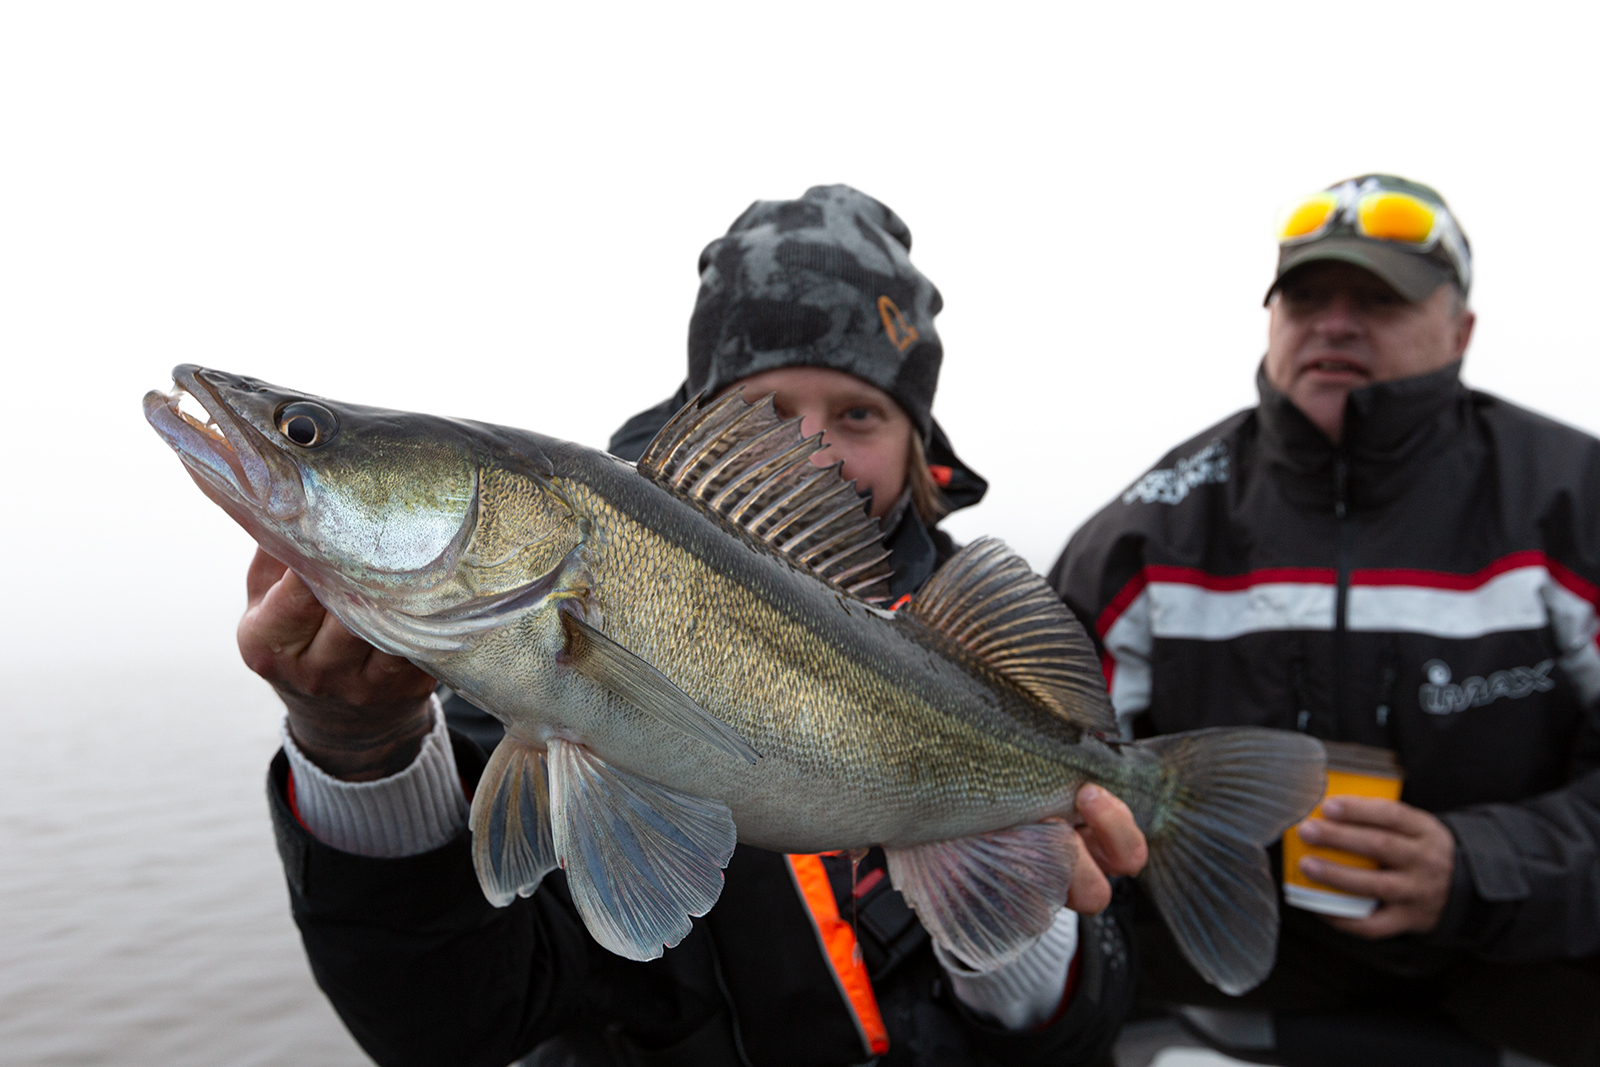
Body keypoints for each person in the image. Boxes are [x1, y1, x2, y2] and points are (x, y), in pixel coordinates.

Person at [247, 185, 1147, 1067]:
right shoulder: (506, 665)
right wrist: (360, 754)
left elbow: (1079, 1035)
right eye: (767, 414)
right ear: (702, 420)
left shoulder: (997, 648)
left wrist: (1020, 901)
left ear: (921, 441)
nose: (816, 450)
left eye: (860, 412)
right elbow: (454, 1026)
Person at [1051, 174, 1600, 1067]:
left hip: (1533, 985)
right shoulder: (1146, 531)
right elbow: (1030, 749)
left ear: (1462, 331)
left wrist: (1483, 863)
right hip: (1212, 993)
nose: (1334, 321)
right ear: (1271, 322)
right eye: (1306, 296)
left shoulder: (1574, 503)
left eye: (1378, 297)